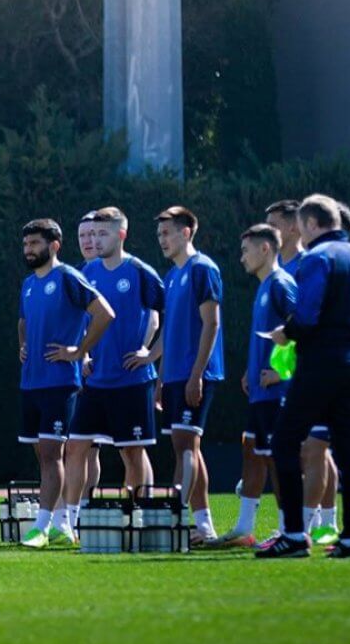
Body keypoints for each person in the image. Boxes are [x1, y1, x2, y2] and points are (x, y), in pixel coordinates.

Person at [258, 193, 350, 559]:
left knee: (283, 442)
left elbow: (307, 316)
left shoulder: (317, 258)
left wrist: (285, 334)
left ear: (310, 224)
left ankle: (294, 535)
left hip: (321, 363)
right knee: (347, 449)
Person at [16, 219, 113, 548]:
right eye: (26, 244)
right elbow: (23, 321)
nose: (29, 250)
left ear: (54, 245)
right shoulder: (28, 283)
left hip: (60, 382)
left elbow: (105, 314)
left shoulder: (69, 277)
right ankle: (60, 525)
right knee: (42, 454)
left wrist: (79, 351)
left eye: (35, 244)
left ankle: (42, 528)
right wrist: (23, 343)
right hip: (31, 383)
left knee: (52, 453)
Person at [63, 207, 162, 528]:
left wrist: (150, 352)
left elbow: (168, 315)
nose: (95, 239)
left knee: (132, 453)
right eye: (92, 234)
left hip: (132, 381)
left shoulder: (141, 272)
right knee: (76, 447)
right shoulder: (85, 273)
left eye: (102, 233)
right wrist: (83, 355)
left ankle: (137, 519)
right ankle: (70, 521)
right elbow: (77, 319)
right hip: (94, 381)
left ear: (121, 234)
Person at [214, 224, 296, 547]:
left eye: (246, 250)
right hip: (261, 391)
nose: (241, 258)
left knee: (278, 458)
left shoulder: (280, 284)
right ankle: (245, 528)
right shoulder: (264, 288)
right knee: (253, 450)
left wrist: (282, 373)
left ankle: (287, 529)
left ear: (265, 250)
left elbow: (302, 328)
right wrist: (252, 370)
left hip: (278, 392)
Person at [150, 206, 225, 545]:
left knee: (185, 447)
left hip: (198, 373)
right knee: (187, 446)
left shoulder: (202, 269)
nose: (162, 240)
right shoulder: (171, 276)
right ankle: (202, 526)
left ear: (186, 233)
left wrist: (197, 374)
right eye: (160, 235)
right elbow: (168, 332)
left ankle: (176, 522)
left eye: (167, 233)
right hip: (175, 376)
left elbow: (212, 323)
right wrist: (161, 380)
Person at [76, 211, 103, 501]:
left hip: (120, 372)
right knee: (84, 445)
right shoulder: (76, 274)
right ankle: (82, 507)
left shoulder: (129, 270)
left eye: (93, 234)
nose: (88, 240)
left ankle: (140, 514)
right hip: (84, 373)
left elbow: (153, 318)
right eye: (82, 235)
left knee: (132, 448)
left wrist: (145, 349)